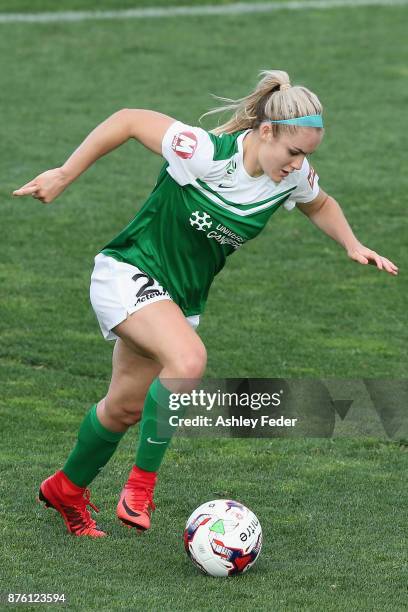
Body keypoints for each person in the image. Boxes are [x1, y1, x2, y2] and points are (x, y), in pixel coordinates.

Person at [13, 70, 398, 538]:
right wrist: (64, 174)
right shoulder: (205, 152)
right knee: (188, 360)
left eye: (308, 156)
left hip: (177, 301)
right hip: (128, 271)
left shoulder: (288, 179)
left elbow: (319, 203)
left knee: (124, 409)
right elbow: (130, 120)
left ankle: (65, 490)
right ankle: (140, 487)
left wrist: (351, 244)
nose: (299, 165)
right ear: (266, 131)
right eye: (294, 152)